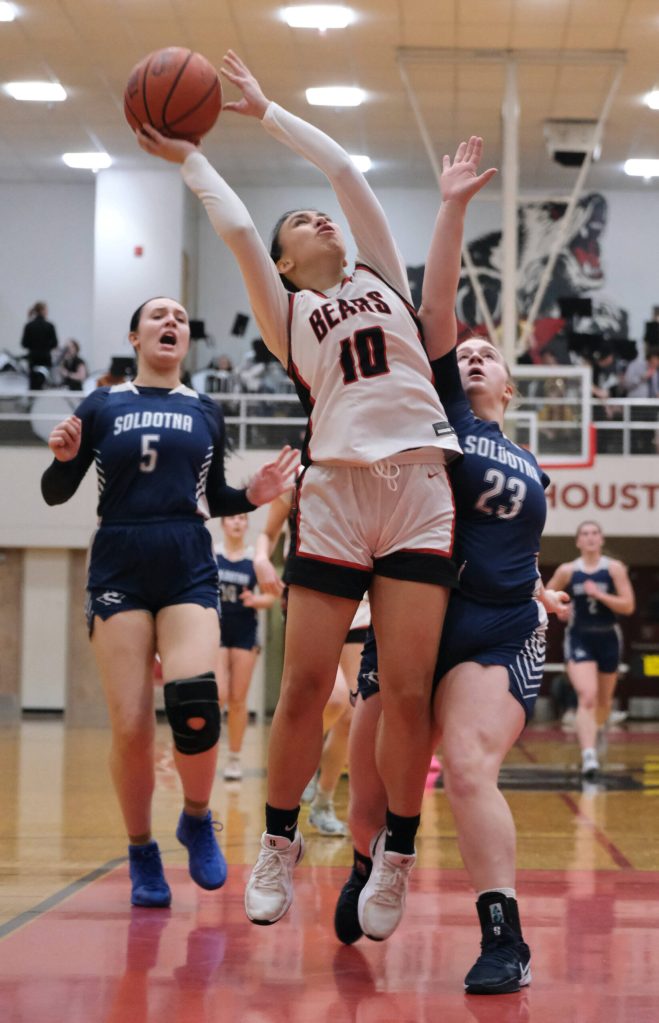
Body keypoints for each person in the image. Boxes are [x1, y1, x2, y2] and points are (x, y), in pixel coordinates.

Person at [137, 50, 484, 935]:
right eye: (302, 223)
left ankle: (396, 855)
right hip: (333, 493)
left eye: (320, 217)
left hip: (416, 489)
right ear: (290, 265)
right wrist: (191, 160)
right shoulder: (287, 313)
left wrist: (266, 111)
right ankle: (280, 843)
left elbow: (345, 168)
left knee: (406, 694)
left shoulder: (384, 280)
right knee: (300, 692)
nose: (317, 218)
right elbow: (238, 231)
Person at [334, 141, 570, 997]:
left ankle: (502, 936)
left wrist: (540, 584)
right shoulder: (434, 412)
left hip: (497, 625)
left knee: (467, 762)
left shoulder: (531, 462)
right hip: (410, 617)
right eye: (463, 353)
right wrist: (452, 207)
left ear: (508, 383)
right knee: (370, 782)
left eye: (486, 356)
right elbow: (434, 307)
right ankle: (367, 865)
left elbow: (517, 538)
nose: (471, 358)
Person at [41, 295, 299, 909]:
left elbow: (213, 495)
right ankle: (140, 850)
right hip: (119, 561)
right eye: (159, 315)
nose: (172, 322)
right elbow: (55, 493)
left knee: (195, 705)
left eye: (182, 317)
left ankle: (196, 816)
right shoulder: (102, 404)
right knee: (131, 726)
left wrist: (252, 493)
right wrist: (61, 457)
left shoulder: (206, 410)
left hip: (186, 556)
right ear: (134, 337)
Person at [253, 488, 369, 836]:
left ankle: (323, 802)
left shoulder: (372, 472)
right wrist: (261, 558)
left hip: (362, 603)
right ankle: (304, 759)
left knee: (351, 714)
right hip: (311, 598)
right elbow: (268, 532)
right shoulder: (296, 480)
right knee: (332, 698)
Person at [545, 521, 635, 778]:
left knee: (604, 702)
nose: (590, 537)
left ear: (602, 539)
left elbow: (628, 606)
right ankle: (589, 756)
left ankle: (596, 731)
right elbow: (547, 595)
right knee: (587, 695)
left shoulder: (614, 569)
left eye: (595, 533)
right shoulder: (568, 570)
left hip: (607, 637)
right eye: (585, 534)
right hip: (579, 637)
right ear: (578, 542)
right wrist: (560, 609)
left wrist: (600, 595)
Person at [214, 512, 276, 781]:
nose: (237, 522)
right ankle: (208, 754)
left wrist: (255, 600)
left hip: (244, 632)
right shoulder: (212, 554)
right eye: (232, 518)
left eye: (242, 518)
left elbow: (272, 596)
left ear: (247, 525)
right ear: (223, 523)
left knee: (238, 699)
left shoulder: (255, 560)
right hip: (215, 631)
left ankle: (234, 758)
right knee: (218, 693)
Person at [21, 301, 58, 389]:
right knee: (46, 384)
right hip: (45, 359)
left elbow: (24, 343)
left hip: (33, 359)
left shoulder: (29, 326)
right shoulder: (49, 326)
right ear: (42, 311)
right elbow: (54, 343)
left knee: (33, 385)